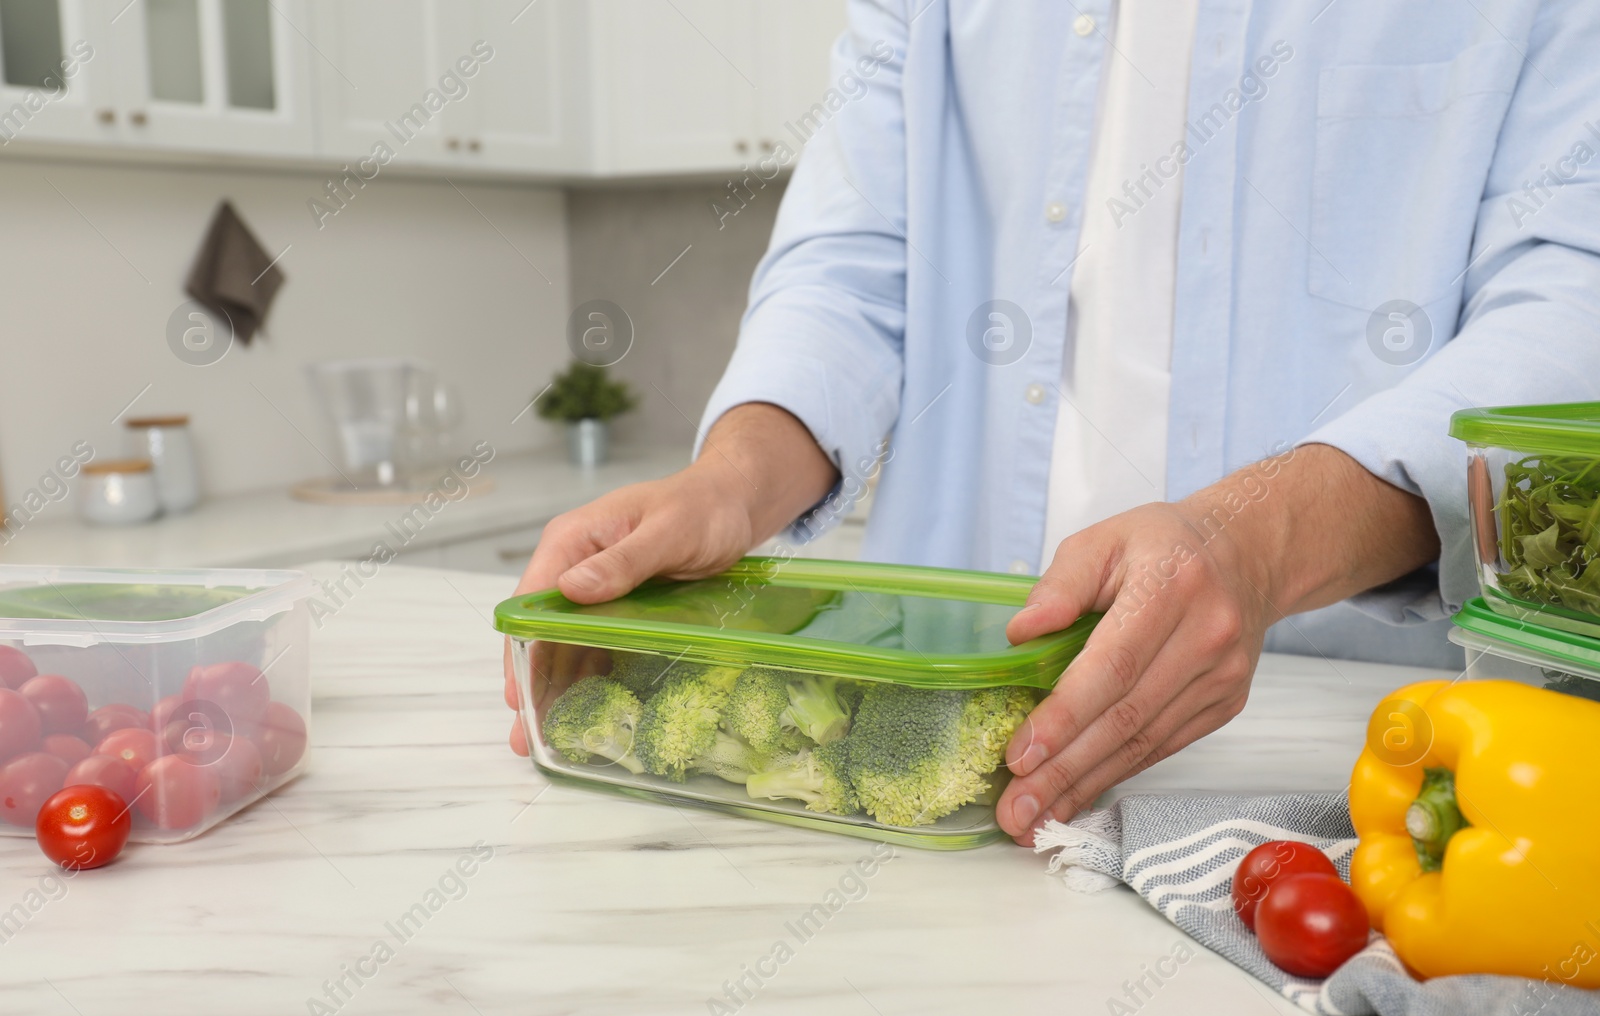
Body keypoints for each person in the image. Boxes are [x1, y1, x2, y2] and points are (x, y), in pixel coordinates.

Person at [506, 1, 1600, 844]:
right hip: (938, 723)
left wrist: (1257, 544)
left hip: (1341, 748)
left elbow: (1568, 298)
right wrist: (724, 486)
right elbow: (854, 269)